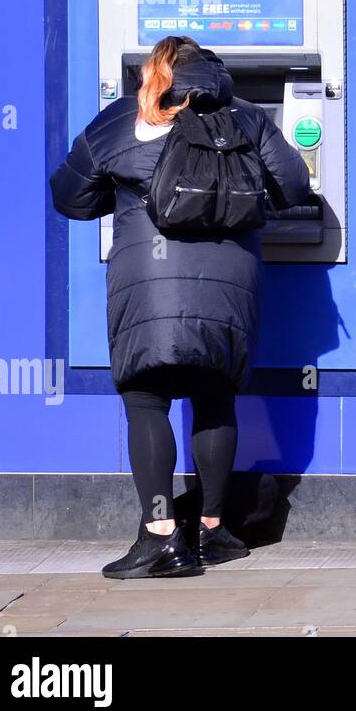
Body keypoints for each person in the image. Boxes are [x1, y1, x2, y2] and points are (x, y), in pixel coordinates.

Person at [51, 36, 312, 579]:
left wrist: (122, 194)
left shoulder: (125, 116)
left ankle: (161, 536)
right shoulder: (248, 117)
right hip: (230, 281)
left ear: (153, 72)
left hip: (147, 281)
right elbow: (293, 185)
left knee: (147, 400)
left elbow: (70, 196)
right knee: (216, 400)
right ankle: (214, 532)